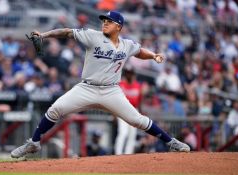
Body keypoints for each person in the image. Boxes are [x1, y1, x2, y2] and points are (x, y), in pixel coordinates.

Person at [11, 11, 190, 158]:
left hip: (111, 91)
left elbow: (139, 51)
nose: (105, 23)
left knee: (137, 120)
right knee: (54, 109)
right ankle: (34, 143)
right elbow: (67, 32)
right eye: (104, 20)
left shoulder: (126, 44)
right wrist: (45, 35)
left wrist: (153, 55)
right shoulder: (93, 36)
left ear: (118, 26)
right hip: (86, 87)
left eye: (109, 21)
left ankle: (171, 142)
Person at [114, 65, 141, 155]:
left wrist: (140, 113)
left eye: (130, 73)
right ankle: (118, 153)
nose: (129, 75)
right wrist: (114, 114)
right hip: (122, 110)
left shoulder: (137, 86)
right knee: (123, 132)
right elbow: (115, 100)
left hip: (134, 110)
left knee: (132, 134)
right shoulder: (120, 84)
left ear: (133, 74)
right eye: (127, 73)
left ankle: (128, 154)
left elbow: (139, 101)